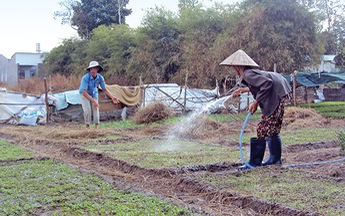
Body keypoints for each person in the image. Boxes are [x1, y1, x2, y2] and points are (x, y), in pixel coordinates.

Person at [220, 49, 292, 170]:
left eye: (233, 67)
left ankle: (255, 162)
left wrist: (256, 102)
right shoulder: (249, 73)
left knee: (262, 128)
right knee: (272, 128)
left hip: (277, 94)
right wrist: (244, 90)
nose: (233, 70)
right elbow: (262, 83)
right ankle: (275, 159)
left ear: (238, 66)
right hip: (280, 91)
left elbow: (267, 84)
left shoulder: (248, 74)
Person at [79, 61, 119, 129]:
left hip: (94, 93)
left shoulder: (100, 78)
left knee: (96, 108)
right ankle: (87, 126)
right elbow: (84, 92)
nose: (92, 70)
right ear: (89, 70)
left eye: (94, 68)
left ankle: (96, 126)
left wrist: (112, 97)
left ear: (97, 69)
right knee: (87, 109)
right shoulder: (85, 78)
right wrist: (93, 101)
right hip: (84, 94)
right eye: (91, 69)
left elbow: (104, 89)